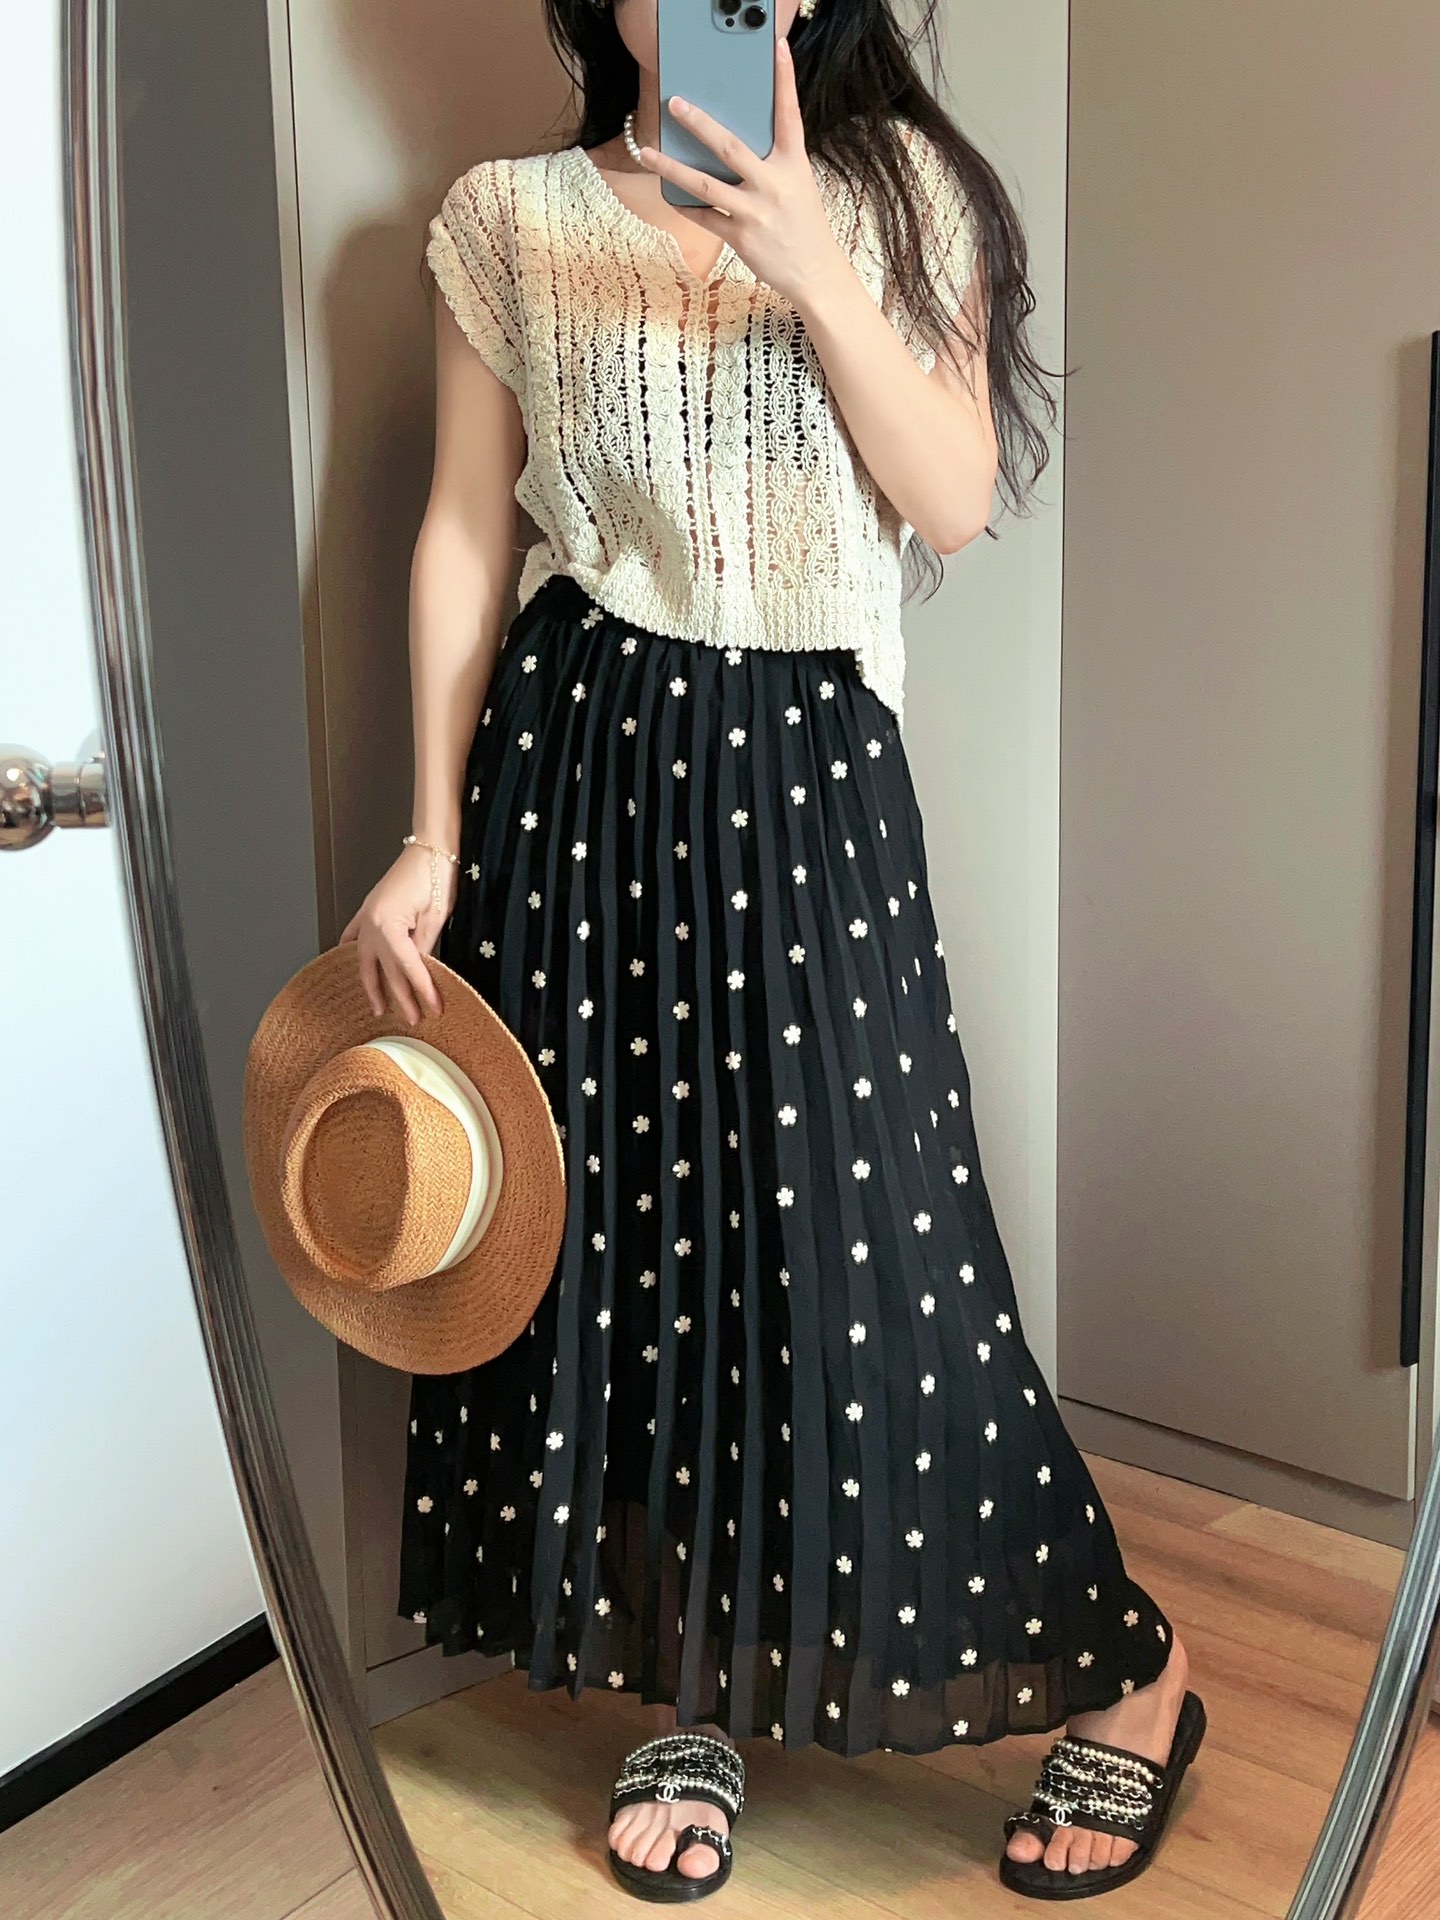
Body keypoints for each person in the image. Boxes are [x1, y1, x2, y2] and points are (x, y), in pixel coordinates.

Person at [344, 0, 1204, 1901]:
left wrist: (811, 255)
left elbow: (953, 499)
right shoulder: (507, 219)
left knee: (881, 1253)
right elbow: (465, 535)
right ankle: (695, 1688)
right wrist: (431, 834)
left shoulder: (902, 197)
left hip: (807, 770)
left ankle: (1131, 1676)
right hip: (577, 767)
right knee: (635, 1244)